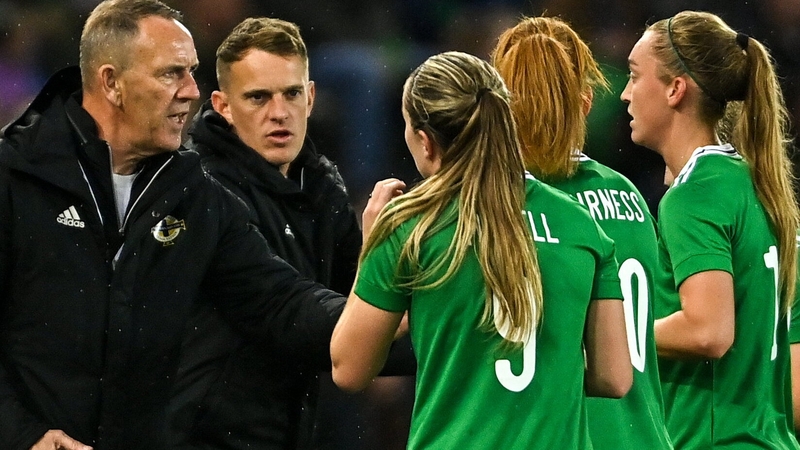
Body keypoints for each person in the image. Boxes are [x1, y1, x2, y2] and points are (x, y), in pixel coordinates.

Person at [0, 1, 346, 449]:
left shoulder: (194, 194)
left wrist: (384, 306)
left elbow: (282, 302)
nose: (191, 91)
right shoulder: (13, 178)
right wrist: (23, 435)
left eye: (192, 72)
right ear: (111, 83)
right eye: (171, 74)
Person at [330, 51, 632, 449]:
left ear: (424, 140)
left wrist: (371, 249)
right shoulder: (579, 223)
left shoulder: (411, 225)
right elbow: (614, 376)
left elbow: (349, 368)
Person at [178, 17, 412, 449]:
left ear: (311, 97)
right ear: (223, 105)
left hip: (289, 430)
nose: (279, 112)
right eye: (257, 98)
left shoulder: (321, 188)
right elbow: (287, 308)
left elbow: (364, 331)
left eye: (291, 93)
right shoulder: (199, 192)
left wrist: (462, 332)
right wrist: (385, 280)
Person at [491, 16, 672, 450]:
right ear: (587, 104)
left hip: (568, 435)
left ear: (495, 107)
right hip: (646, 434)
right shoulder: (627, 194)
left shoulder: (504, 206)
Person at [621, 11, 799, 448]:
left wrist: (612, 337)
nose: (625, 94)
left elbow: (708, 330)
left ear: (674, 89)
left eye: (634, 76)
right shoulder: (755, 183)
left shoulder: (695, 193)